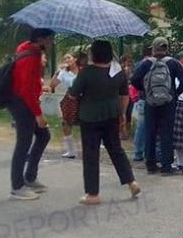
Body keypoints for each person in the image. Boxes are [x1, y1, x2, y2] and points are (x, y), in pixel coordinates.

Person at [68, 40, 141, 205]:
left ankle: (93, 194)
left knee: (91, 154)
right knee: (116, 149)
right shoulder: (118, 72)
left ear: (93, 54)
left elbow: (73, 94)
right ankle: (131, 182)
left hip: (89, 117)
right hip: (112, 115)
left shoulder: (86, 72)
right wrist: (122, 115)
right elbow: (124, 96)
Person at [7, 28, 55, 200]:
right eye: (49, 39)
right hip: (22, 104)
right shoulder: (31, 56)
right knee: (23, 143)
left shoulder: (27, 49)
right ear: (40, 39)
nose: (51, 43)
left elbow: (29, 82)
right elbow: (26, 89)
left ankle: (30, 177)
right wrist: (38, 114)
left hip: (25, 101)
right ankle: (17, 186)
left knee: (43, 136)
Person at [131, 37, 183, 176]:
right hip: (168, 103)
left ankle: (150, 164)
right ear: (166, 48)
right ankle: (166, 166)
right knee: (166, 133)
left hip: (150, 102)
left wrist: (144, 91)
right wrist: (174, 94)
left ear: (153, 48)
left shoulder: (146, 64)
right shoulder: (173, 63)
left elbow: (134, 80)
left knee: (150, 132)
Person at [50, 53, 85, 159]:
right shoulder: (63, 72)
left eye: (69, 57)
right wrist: (57, 72)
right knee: (66, 122)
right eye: (65, 58)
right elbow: (52, 85)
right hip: (70, 97)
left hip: (84, 97)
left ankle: (89, 149)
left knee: (86, 123)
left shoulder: (83, 70)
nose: (67, 60)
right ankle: (71, 150)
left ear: (75, 59)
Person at [131, 46, 153, 162]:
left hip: (143, 97)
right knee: (150, 125)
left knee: (142, 125)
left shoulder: (139, 64)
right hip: (154, 97)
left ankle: (138, 152)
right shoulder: (156, 63)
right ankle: (146, 152)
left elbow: (134, 80)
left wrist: (141, 89)